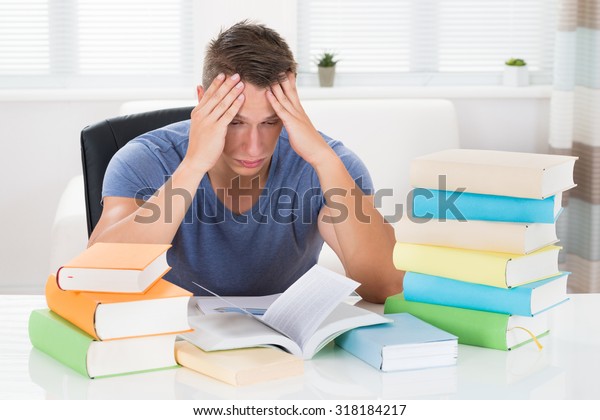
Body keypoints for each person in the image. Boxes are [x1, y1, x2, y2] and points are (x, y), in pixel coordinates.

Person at [89, 20, 404, 303]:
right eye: (235, 122)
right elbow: (102, 275)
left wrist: (324, 159)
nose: (254, 147)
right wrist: (192, 166)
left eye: (270, 122)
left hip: (284, 349)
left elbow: (385, 286)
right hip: (170, 339)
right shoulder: (145, 159)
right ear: (203, 100)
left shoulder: (331, 165)